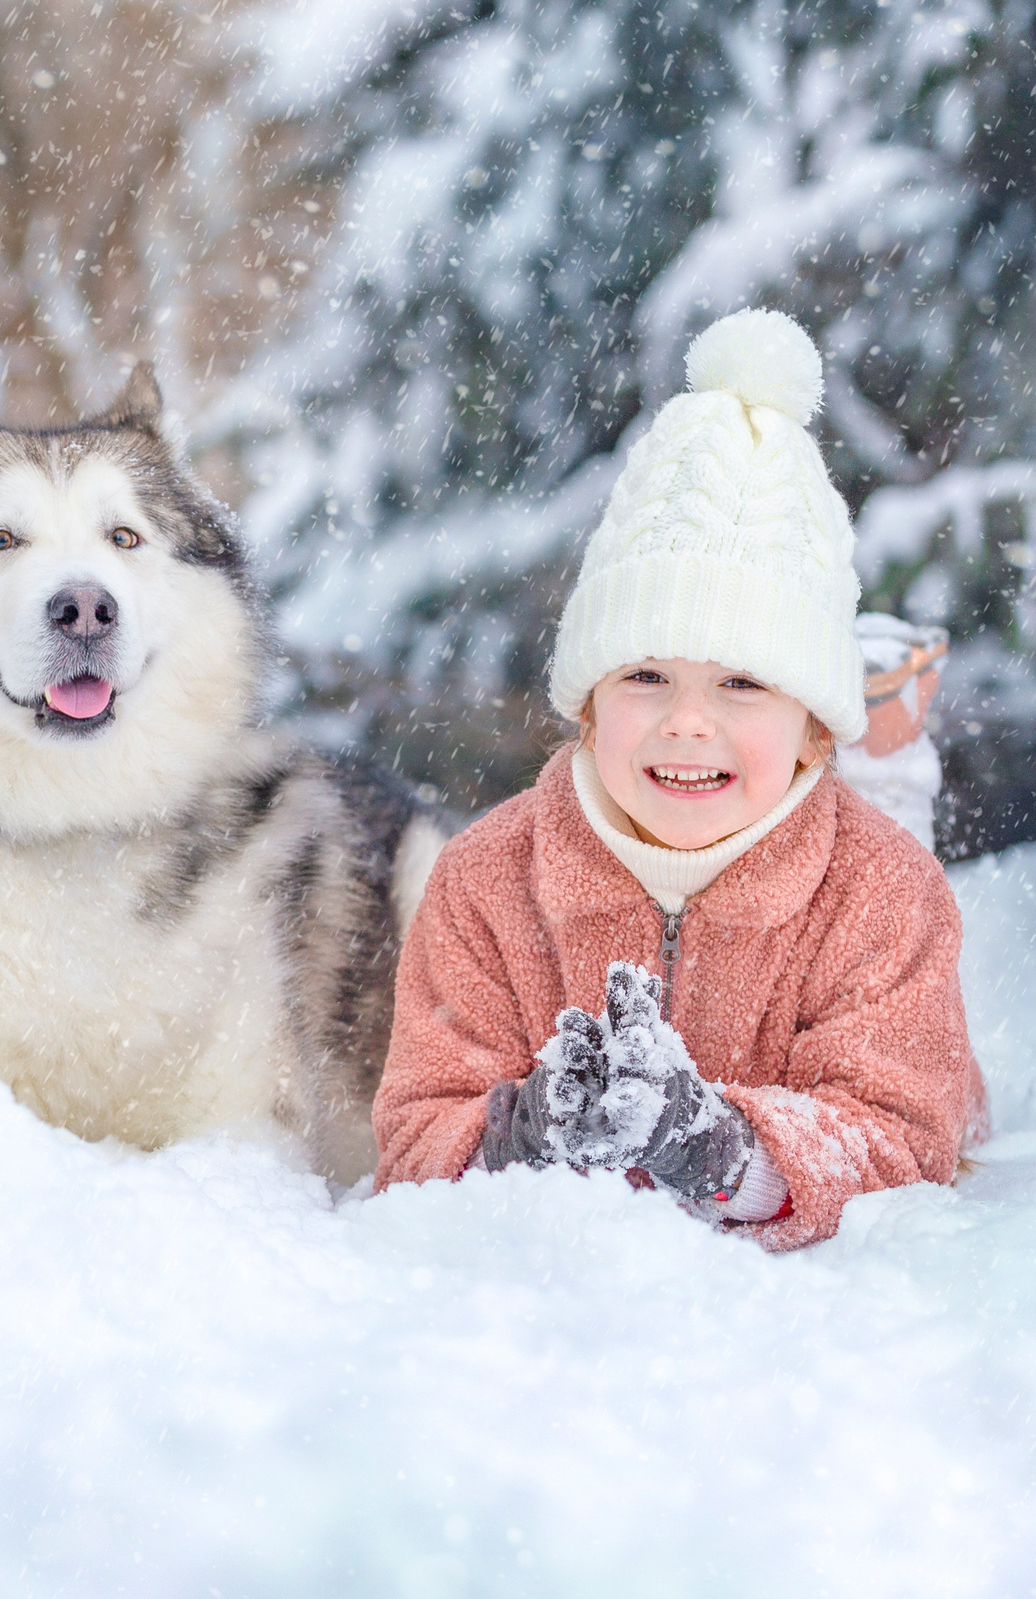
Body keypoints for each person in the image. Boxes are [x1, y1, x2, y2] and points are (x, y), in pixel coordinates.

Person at [370, 308, 987, 1250]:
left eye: (742, 683)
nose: (687, 720)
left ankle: (890, 755)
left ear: (816, 728)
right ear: (585, 704)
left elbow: (904, 1140)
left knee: (936, 1032)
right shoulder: (485, 885)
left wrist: (722, 1150)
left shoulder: (885, 896)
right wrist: (514, 1136)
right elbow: (414, 1137)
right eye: (646, 675)